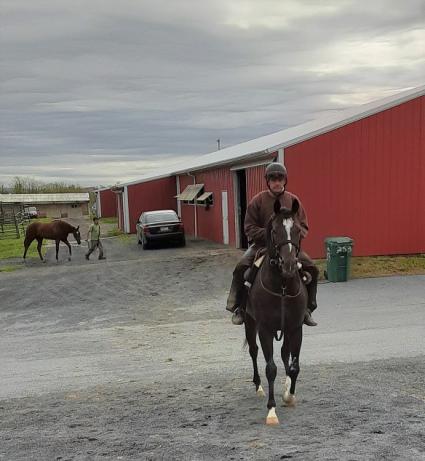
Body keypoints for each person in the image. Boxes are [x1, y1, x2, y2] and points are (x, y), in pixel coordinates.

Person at [226, 162, 318, 326]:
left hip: (288, 247)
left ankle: (308, 308)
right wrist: (269, 235)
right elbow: (248, 227)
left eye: (280, 178)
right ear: (267, 181)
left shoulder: (294, 200)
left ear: (285, 180)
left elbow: (303, 226)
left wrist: (291, 238)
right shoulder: (258, 200)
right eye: (273, 179)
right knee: (241, 267)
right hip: (261, 246)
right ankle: (238, 306)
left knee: (312, 268)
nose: (277, 182)